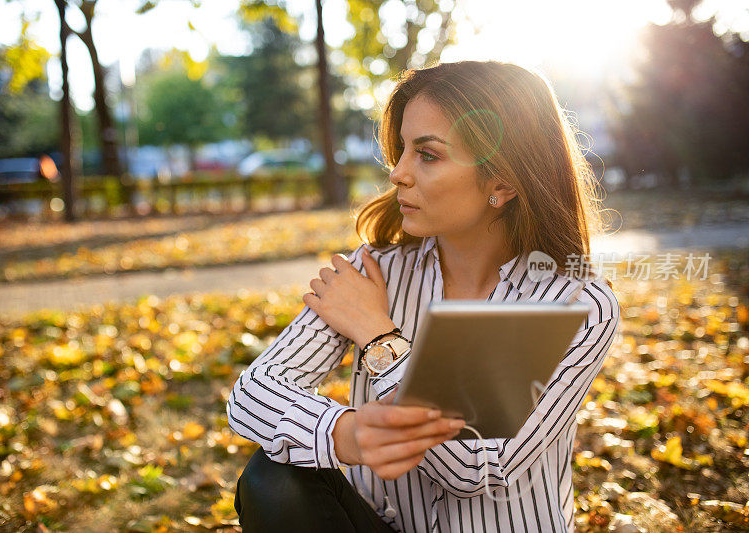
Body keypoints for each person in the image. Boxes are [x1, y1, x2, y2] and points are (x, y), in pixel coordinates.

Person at [227, 60, 621, 533]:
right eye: (402, 151)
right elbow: (252, 393)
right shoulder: (374, 272)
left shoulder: (574, 304)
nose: (396, 174)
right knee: (273, 480)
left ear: (503, 182)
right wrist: (346, 434)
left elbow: (478, 467)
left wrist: (380, 339)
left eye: (427, 155)